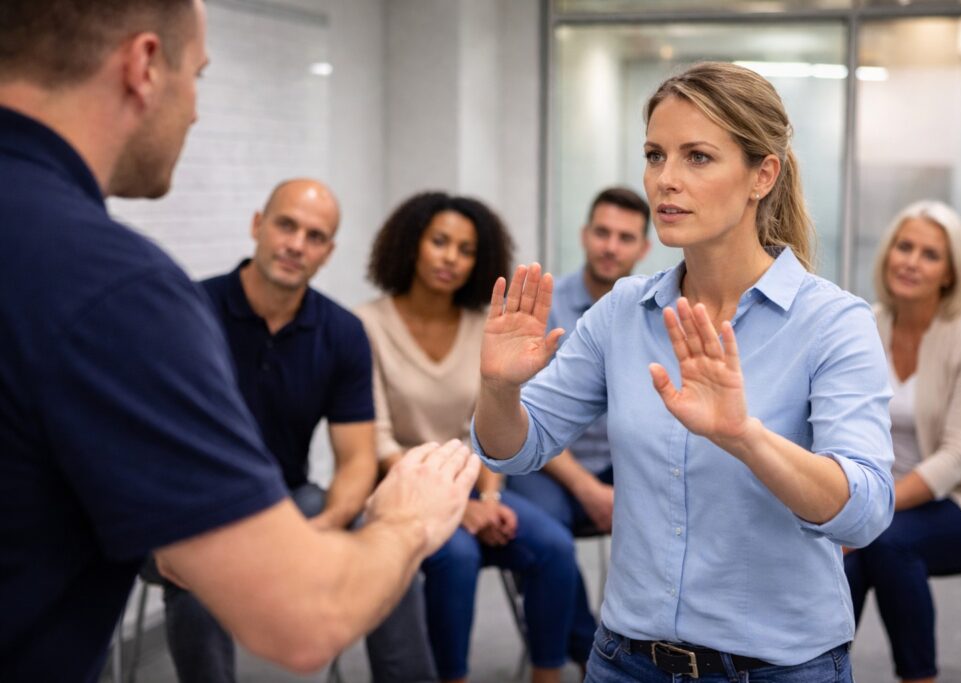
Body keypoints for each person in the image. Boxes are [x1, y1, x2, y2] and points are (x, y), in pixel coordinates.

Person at [0, 2, 478, 681]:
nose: (195, 110)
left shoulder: (335, 329)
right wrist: (407, 519)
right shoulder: (122, 291)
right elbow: (302, 620)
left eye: (316, 236)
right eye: (197, 75)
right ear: (143, 66)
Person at [472, 62, 896, 683]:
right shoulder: (624, 309)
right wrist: (499, 388)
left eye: (697, 157)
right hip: (623, 662)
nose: (664, 180)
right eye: (654, 155)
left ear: (763, 175)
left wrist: (743, 436)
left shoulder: (833, 322)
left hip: (778, 668)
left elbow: (864, 513)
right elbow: (516, 449)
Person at [159, 178, 438, 683]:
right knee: (199, 581)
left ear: (327, 252)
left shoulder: (341, 332)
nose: (296, 245)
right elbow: (149, 440)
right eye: (287, 225)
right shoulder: (190, 310)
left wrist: (324, 529)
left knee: (390, 555)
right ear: (257, 225)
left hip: (287, 498)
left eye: (315, 236)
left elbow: (355, 459)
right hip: (186, 505)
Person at [357, 191, 578, 683]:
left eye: (466, 249)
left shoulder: (486, 326)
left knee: (556, 547)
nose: (451, 258)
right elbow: (379, 440)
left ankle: (549, 675)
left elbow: (487, 424)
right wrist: (458, 503)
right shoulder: (366, 325)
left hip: (477, 485)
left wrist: (490, 495)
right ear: (412, 244)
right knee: (455, 555)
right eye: (440, 242)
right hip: (403, 491)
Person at [843, 200, 961, 683]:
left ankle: (918, 678)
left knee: (883, 543)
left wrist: (868, 508)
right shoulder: (866, 324)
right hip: (886, 498)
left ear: (950, 272)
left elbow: (960, 457)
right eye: (904, 246)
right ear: (887, 254)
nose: (911, 261)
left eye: (929, 254)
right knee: (850, 558)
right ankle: (821, 670)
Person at [505, 186, 650, 666]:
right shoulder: (542, 307)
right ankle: (584, 658)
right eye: (603, 233)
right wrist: (588, 489)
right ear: (585, 236)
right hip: (547, 463)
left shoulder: (652, 312)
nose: (612, 246)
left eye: (626, 237)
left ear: (643, 248)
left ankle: (652, 654)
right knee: (550, 545)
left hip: (617, 462)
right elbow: (530, 415)